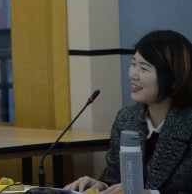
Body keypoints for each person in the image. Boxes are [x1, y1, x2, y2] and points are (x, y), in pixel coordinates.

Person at [65, 30, 192, 194]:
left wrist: (149, 193)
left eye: (144, 68)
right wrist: (102, 186)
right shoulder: (126, 118)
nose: (132, 74)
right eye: (133, 64)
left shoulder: (187, 123)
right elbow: (117, 181)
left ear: (174, 79)